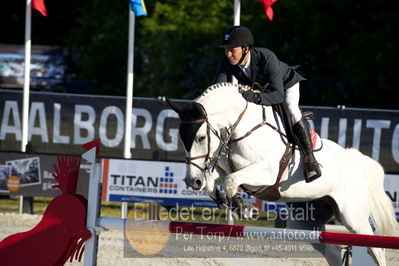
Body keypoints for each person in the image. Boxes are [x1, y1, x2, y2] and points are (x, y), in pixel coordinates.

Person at [213, 25, 321, 182]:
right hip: (260, 91)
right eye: (226, 50)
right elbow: (217, 88)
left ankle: (311, 161)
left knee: (292, 111)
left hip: (285, 86)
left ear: (245, 48)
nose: (228, 54)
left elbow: (277, 95)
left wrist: (255, 98)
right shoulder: (227, 61)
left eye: (232, 50)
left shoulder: (266, 57)